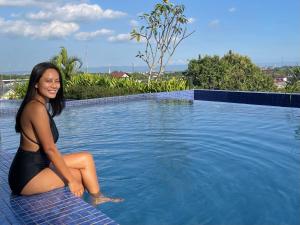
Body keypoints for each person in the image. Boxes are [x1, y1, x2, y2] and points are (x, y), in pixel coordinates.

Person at [8, 62, 122, 205]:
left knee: (86, 158)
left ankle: (97, 197)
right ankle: (88, 208)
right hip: (26, 176)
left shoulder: (38, 104)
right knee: (76, 175)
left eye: (57, 81)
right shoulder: (36, 108)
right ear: (36, 83)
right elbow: (49, 149)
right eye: (48, 81)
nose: (54, 85)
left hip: (39, 164)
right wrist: (72, 181)